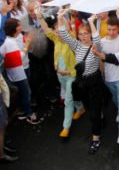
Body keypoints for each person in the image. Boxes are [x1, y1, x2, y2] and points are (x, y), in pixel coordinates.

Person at [57, 9, 104, 154]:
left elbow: (96, 38)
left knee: (94, 113)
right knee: (90, 110)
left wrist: (91, 21)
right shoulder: (76, 46)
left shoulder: (95, 46)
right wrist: (60, 18)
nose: (83, 37)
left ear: (89, 34)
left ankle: (96, 138)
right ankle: (98, 116)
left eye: (86, 33)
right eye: (81, 34)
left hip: (94, 81)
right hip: (83, 83)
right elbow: (64, 35)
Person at [35, 8, 83, 139]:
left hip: (71, 75)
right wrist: (39, 17)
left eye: (59, 29)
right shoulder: (56, 40)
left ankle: (66, 127)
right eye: (56, 29)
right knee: (71, 95)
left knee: (67, 100)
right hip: (60, 75)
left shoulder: (71, 41)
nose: (57, 31)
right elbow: (46, 30)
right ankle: (80, 108)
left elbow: (76, 67)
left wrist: (63, 18)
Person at [0, 18, 42, 125]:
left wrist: (28, 42)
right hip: (19, 71)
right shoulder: (9, 43)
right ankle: (29, 114)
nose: (21, 26)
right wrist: (27, 44)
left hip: (25, 67)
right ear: (14, 29)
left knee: (25, 91)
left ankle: (24, 110)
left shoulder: (18, 36)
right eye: (19, 25)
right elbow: (18, 59)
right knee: (26, 92)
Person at [98, 11, 119, 144]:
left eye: (114, 30)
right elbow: (101, 59)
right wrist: (103, 74)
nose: (111, 32)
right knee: (116, 100)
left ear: (118, 29)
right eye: (109, 29)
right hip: (109, 78)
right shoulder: (102, 42)